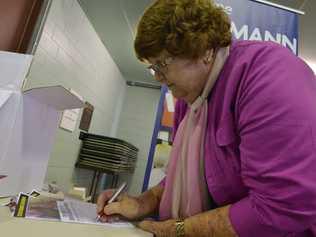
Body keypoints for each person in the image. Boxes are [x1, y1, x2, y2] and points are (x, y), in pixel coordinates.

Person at [97, 0, 316, 236]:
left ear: (204, 51)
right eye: (153, 68)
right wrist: (142, 203)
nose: (158, 77)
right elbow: (177, 179)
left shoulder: (268, 77)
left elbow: (281, 207)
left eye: (161, 64)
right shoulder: (190, 102)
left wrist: (178, 229)